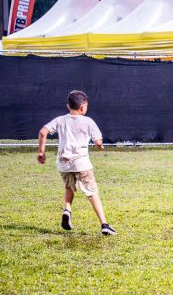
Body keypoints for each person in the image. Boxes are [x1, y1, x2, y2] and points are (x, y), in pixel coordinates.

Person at [37, 90, 116, 236]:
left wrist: (41, 152)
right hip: (82, 164)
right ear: (83, 107)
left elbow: (43, 132)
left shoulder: (60, 120)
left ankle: (67, 210)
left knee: (69, 187)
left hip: (63, 163)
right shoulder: (88, 121)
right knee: (92, 193)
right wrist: (100, 146)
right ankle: (104, 224)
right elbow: (98, 142)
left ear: (68, 106)